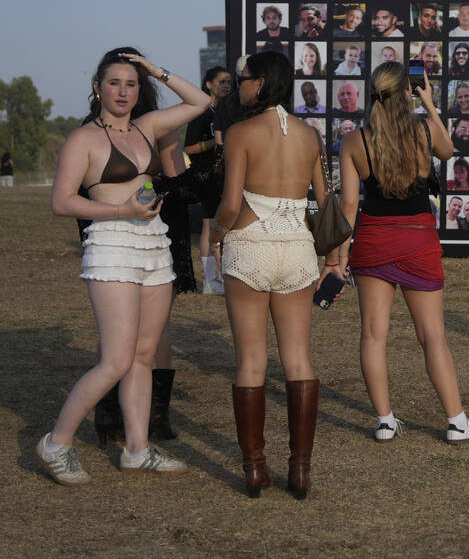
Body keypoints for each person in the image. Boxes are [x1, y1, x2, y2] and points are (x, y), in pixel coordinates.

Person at [39, 50, 207, 486]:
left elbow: (200, 102)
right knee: (115, 359)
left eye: (132, 84)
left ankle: (137, 449)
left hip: (154, 247)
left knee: (144, 356)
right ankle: (56, 443)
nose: (123, 91)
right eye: (114, 82)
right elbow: (62, 202)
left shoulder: (146, 127)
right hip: (111, 246)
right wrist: (122, 211)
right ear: (98, 88)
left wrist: (156, 70)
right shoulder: (84, 140)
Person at [333, 60, 469, 452]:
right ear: (407, 92)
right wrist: (430, 104)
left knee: (372, 334)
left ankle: (384, 422)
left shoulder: (355, 141)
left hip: (372, 240)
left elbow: (349, 205)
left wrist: (337, 257)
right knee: (432, 335)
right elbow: (449, 150)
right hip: (418, 239)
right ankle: (457, 422)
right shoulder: (423, 130)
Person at [210, 51, 328, 499]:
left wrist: (216, 237)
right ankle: (299, 470)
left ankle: (255, 469)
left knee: (251, 362)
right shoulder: (308, 135)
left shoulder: (240, 132)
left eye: (242, 79)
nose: (237, 86)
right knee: (298, 360)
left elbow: (227, 205)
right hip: (298, 248)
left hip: (249, 245)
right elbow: (324, 199)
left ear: (259, 84)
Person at [185, 66, 233, 294]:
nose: (226, 86)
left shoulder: (227, 110)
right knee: (208, 224)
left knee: (224, 225)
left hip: (226, 174)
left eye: (229, 82)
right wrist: (215, 143)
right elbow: (189, 147)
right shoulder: (202, 112)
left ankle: (222, 276)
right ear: (208, 85)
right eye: (221, 82)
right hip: (207, 174)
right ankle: (209, 279)